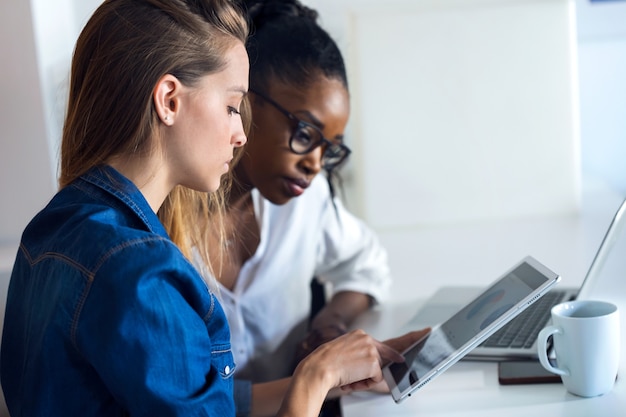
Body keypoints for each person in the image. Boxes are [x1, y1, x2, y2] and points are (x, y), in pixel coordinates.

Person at [0, 1, 410, 416]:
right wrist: (316, 375)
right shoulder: (142, 275)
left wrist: (333, 376)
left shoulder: (50, 229)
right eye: (233, 107)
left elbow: (184, 394)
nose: (240, 134)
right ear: (170, 101)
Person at [175, 1, 428, 415]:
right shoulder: (160, 229)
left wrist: (328, 325)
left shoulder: (303, 202)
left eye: (328, 149)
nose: (314, 163)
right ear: (242, 97)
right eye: (305, 132)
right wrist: (320, 375)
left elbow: (367, 267)